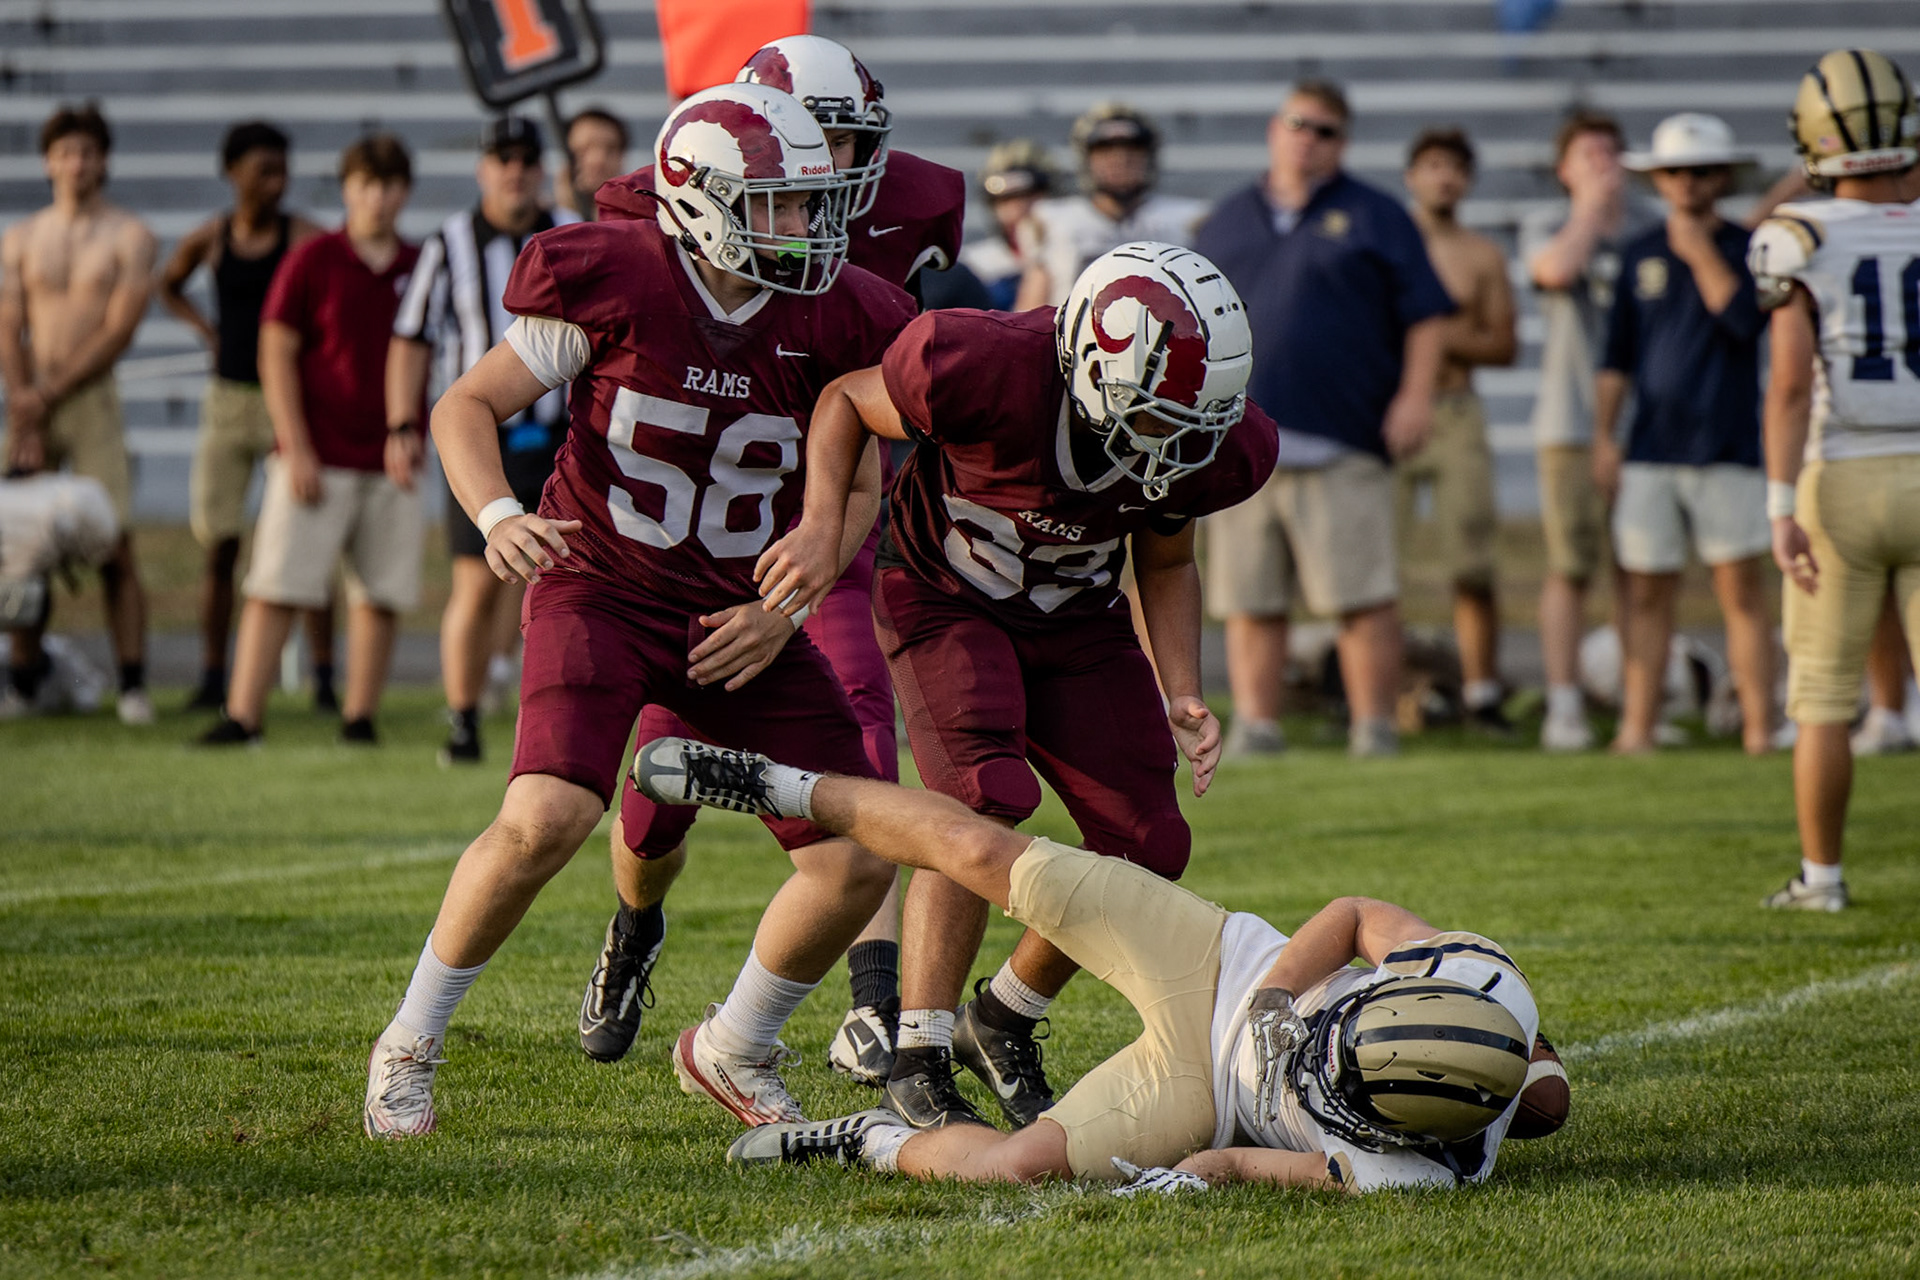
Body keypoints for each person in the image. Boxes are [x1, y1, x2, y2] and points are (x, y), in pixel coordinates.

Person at [363, 83, 918, 1140]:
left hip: (736, 610)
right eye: (784, 206)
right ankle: (409, 1042)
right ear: (704, 203)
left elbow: (857, 484)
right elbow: (463, 403)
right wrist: (493, 512)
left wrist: (798, 587)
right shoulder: (619, 275)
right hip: (602, 583)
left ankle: (733, 1044)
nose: (811, 228)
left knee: (855, 859)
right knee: (549, 817)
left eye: (812, 203)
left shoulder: (838, 308)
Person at [758, 241, 1278, 1130]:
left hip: (1077, 625)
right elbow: (845, 399)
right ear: (1094, 370)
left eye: (1201, 422)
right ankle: (916, 1048)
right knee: (983, 799)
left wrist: (1180, 685)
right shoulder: (976, 363)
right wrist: (818, 528)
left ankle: (1000, 1017)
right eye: (1163, 418)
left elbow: (1168, 554)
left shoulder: (1203, 440)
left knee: (1149, 841)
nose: (1186, 443)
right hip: (941, 599)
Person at [632, 735, 1555, 1192]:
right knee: (993, 855)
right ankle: (776, 785)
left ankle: (864, 1137)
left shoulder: (1416, 1177)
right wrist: (1277, 1000)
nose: (1322, 1053)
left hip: (1206, 1091)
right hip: (1222, 960)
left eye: (1336, 1078)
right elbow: (1354, 914)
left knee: (1017, 1166)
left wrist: (1186, 1176)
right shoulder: (1480, 977)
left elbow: (1233, 1165)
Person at [575, 34, 966, 1093]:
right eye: (819, 136)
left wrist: (825, 545)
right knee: (658, 797)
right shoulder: (655, 202)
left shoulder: (919, 205)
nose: (833, 164)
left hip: (824, 511)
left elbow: (899, 388)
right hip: (697, 532)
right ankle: (634, 924)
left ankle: (873, 1001)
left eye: (851, 138)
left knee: (860, 732)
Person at [1196, 81, 1454, 758]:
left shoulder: (1377, 215)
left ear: (1344, 142)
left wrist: (1415, 395)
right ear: (1273, 130)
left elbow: (1426, 315)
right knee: (1250, 595)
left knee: (1361, 592)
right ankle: (1257, 724)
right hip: (1240, 444)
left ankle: (1374, 726)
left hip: (1345, 434)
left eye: (1326, 130)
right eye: (1298, 124)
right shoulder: (1225, 220)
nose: (1309, 138)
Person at [1750, 49, 1920, 911]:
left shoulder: (1797, 235)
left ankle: (1822, 877)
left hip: (1842, 471)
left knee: (1821, 696)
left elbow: (1787, 384)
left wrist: (1780, 506)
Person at [197, 135, 422, 747]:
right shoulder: (314, 258)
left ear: (404, 192)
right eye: (365, 184)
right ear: (346, 189)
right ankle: (243, 715)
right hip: (318, 452)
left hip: (391, 456)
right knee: (276, 586)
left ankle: (360, 717)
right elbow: (276, 353)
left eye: (389, 184)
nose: (377, 197)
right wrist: (294, 446)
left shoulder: (419, 264)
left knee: (380, 593)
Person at [389, 117, 579, 766]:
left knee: (555, 585)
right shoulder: (448, 244)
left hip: (562, 435)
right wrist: (401, 423)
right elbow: (411, 338)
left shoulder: (571, 234)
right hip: (482, 437)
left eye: (527, 158)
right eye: (503, 158)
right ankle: (464, 719)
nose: (515, 170)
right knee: (473, 582)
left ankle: (546, 722)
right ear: (482, 167)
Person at [1593, 113, 1774, 756]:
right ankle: (1636, 726)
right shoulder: (1639, 252)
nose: (1688, 183)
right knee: (1644, 592)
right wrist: (1603, 437)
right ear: (1659, 180)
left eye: (1700, 172)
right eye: (1675, 172)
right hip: (1650, 447)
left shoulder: (1749, 247)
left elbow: (1746, 324)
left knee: (1740, 592)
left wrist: (1698, 252)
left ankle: (1759, 726)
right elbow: (1615, 357)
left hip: (1726, 446)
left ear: (1723, 177)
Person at [158, 121, 334, 715]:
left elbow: (337, 296)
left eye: (282, 170)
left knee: (306, 542)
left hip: (289, 403)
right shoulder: (211, 237)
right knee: (220, 544)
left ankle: (326, 677)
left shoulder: (304, 238)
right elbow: (169, 284)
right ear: (232, 173)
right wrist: (207, 332)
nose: (275, 183)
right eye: (263, 171)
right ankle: (213, 673)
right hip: (228, 400)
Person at [1, 103, 157, 726]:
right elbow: (9, 326)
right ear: (48, 161)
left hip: (88, 399)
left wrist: (45, 393)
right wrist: (25, 405)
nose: (77, 164)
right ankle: (24, 676)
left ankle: (133, 683)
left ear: (104, 161)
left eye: (88, 152)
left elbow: (118, 329)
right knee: (19, 544)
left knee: (114, 541)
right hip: (27, 400)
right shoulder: (21, 238)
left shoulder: (129, 235)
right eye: (66, 152)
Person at [1520, 112, 1663, 752]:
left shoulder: (1651, 230)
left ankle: (1642, 709)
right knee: (1570, 566)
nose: (1603, 164)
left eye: (1612, 151)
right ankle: (1565, 705)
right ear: (1564, 170)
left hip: (1646, 424)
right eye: (1587, 154)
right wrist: (1590, 209)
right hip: (1569, 423)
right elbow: (1553, 271)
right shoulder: (1548, 223)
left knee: (1640, 570)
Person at [1397, 127, 1519, 733]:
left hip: (1456, 410)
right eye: (1433, 166)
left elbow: (1504, 343)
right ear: (1410, 177)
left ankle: (1483, 692)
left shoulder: (1481, 255)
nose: (1444, 178)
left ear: (1467, 181)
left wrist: (1436, 334)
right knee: (1375, 566)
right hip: (1392, 410)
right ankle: (1379, 695)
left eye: (1455, 167)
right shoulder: (1387, 247)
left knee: (1471, 561)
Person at [1014, 103, 1207, 310]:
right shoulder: (1050, 220)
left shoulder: (1189, 220)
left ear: (1149, 156)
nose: (1121, 159)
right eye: (1105, 149)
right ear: (1086, 158)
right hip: (1072, 338)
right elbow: (1030, 310)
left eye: (1133, 149)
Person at [960, 139, 1058, 309]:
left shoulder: (1073, 251)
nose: (1017, 207)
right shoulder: (977, 263)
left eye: (1027, 195)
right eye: (1004, 200)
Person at [559, 107, 628, 218]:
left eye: (610, 149)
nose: (598, 159)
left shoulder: (639, 225)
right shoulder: (537, 224)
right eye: (585, 148)